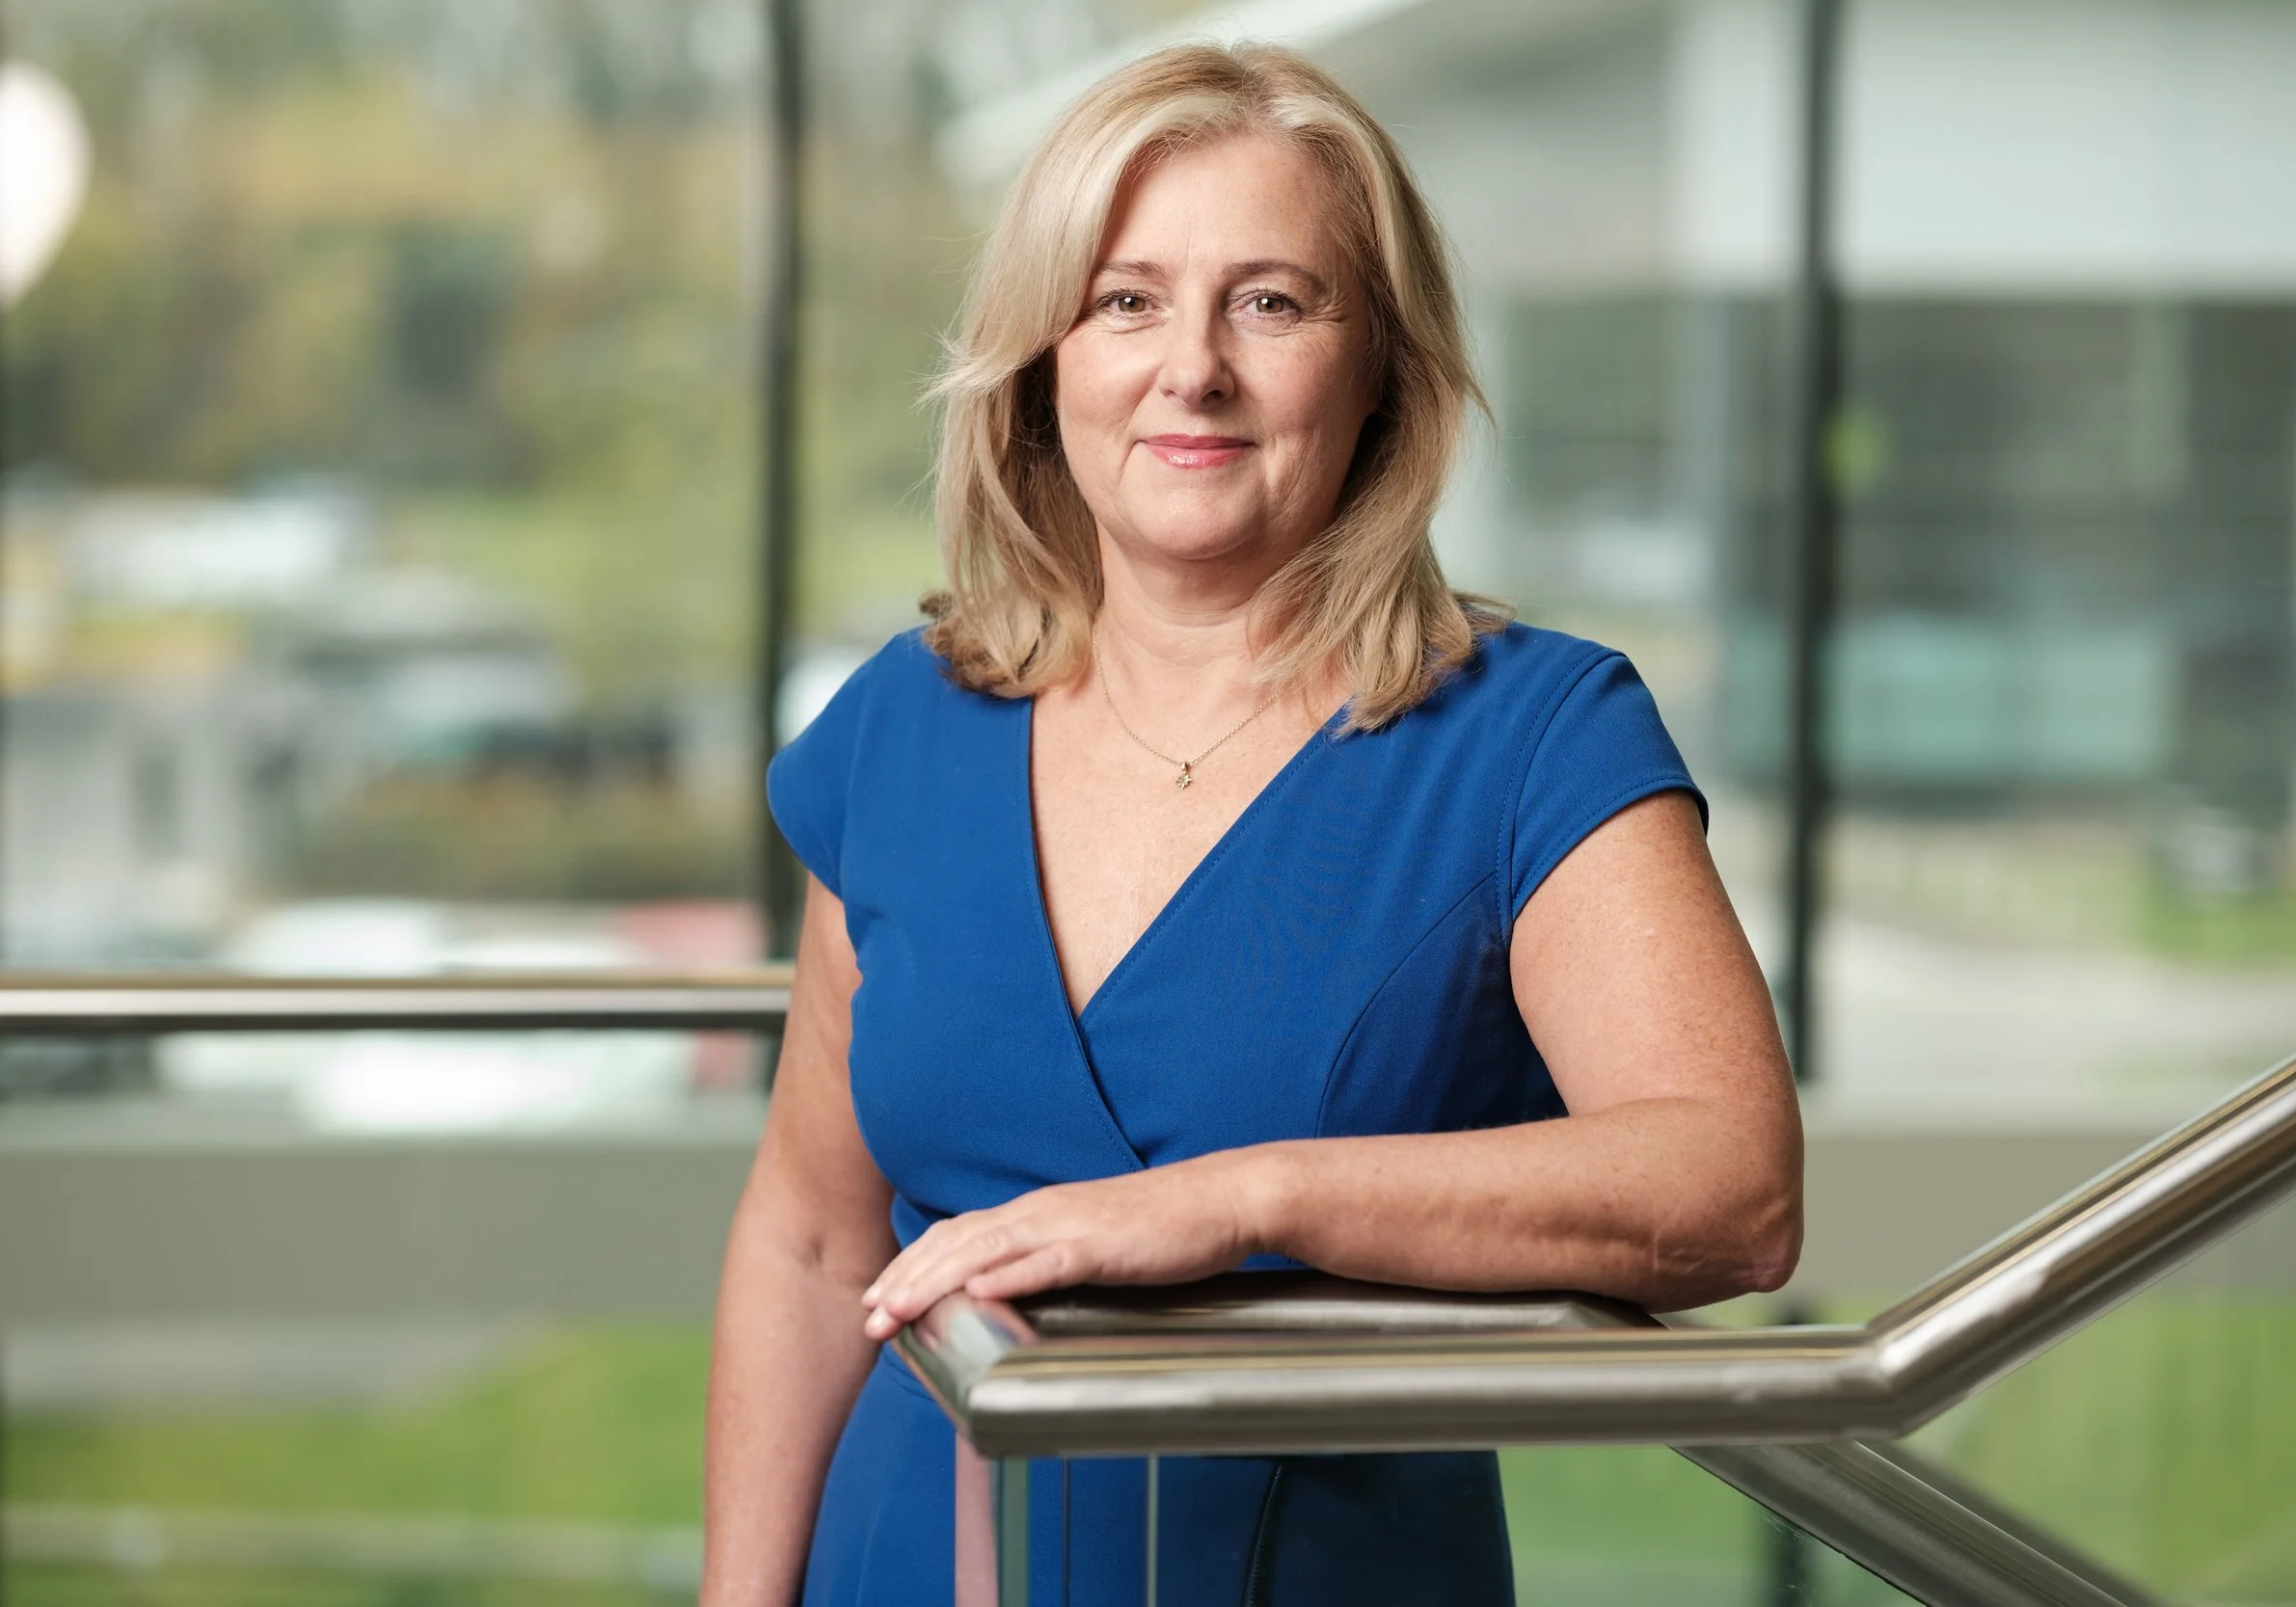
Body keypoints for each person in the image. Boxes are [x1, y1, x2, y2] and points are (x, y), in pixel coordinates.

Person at [700, 40, 1800, 1607]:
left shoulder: (1535, 738)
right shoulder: (903, 726)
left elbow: (1731, 1190)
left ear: (1382, 371)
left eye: (1273, 301)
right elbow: (811, 1242)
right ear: (1044, 358)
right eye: (1125, 299)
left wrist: (1240, 1199)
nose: (1191, 368)